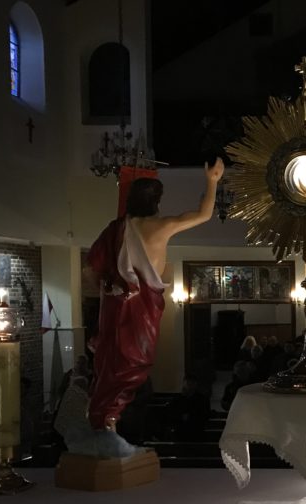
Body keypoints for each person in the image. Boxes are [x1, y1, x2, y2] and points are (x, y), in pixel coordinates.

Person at [82, 159, 224, 457]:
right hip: (142, 309)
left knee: (112, 364)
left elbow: (91, 269)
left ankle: (105, 422)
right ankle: (106, 424)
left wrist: (106, 291)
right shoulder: (161, 226)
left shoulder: (116, 229)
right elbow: (204, 214)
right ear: (156, 201)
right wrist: (212, 181)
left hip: (116, 307)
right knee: (133, 364)